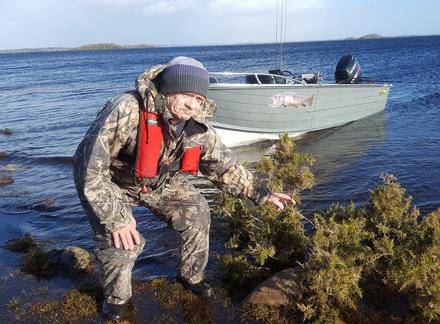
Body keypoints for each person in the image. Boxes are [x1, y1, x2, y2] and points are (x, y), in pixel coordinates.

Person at [73, 56, 294, 321]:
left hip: (160, 183)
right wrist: (115, 219)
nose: (192, 104)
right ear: (168, 89)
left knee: (197, 211)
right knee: (122, 242)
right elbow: (88, 170)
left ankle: (191, 276)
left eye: (199, 99)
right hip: (112, 185)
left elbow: (222, 165)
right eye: (187, 95)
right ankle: (117, 301)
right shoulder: (126, 109)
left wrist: (262, 193)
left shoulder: (197, 122)